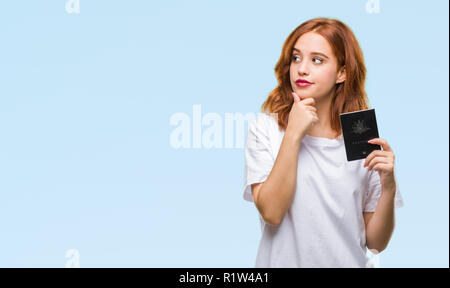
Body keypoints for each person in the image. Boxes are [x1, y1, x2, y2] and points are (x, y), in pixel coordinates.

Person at [243, 17, 404, 268]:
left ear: (342, 73)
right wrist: (294, 134)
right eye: (296, 58)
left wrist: (389, 188)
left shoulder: (359, 135)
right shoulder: (266, 129)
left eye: (317, 60)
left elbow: (376, 242)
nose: (302, 69)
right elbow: (272, 213)